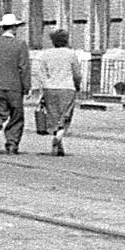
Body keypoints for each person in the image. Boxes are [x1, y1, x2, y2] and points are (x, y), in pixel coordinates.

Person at [0, 15, 32, 155]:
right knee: (16, 116)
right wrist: (26, 87)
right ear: (14, 28)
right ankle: (12, 144)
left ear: (2, 27)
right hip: (14, 87)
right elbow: (23, 67)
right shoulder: (20, 44)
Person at [29, 27, 85, 156]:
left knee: (53, 116)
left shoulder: (45, 54)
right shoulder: (71, 54)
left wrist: (45, 86)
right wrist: (77, 86)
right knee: (65, 116)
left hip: (50, 89)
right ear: (66, 40)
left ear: (53, 41)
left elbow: (40, 73)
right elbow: (77, 74)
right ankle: (59, 137)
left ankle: (57, 141)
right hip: (67, 88)